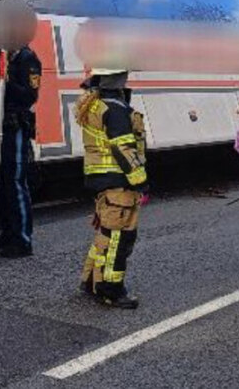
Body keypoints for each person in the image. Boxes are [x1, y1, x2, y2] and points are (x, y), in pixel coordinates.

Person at [76, 69, 147, 309]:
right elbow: (124, 148)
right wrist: (140, 180)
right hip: (118, 182)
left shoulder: (95, 104)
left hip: (103, 180)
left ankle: (90, 281)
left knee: (106, 234)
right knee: (120, 238)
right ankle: (110, 290)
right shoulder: (115, 109)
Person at [0, 41, 42, 259]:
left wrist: (4, 83)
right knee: (1, 181)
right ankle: (7, 232)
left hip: (16, 125)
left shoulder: (28, 58)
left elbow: (29, 95)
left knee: (16, 181)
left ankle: (23, 240)